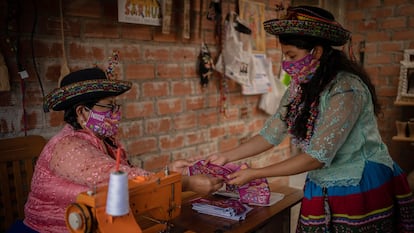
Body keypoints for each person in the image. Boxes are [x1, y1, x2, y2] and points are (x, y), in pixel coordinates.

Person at [207, 6, 414, 232]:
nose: (286, 63)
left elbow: (316, 157)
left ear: (316, 52)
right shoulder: (299, 87)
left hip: (359, 183)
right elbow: (271, 134)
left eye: (291, 56)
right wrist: (225, 157)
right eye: (285, 55)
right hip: (321, 181)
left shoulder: (346, 88)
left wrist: (256, 173)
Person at [9, 67, 223, 233]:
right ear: (83, 113)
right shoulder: (68, 147)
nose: (116, 113)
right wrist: (185, 182)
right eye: (109, 106)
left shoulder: (101, 140)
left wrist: (168, 172)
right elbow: (120, 180)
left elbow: (129, 179)